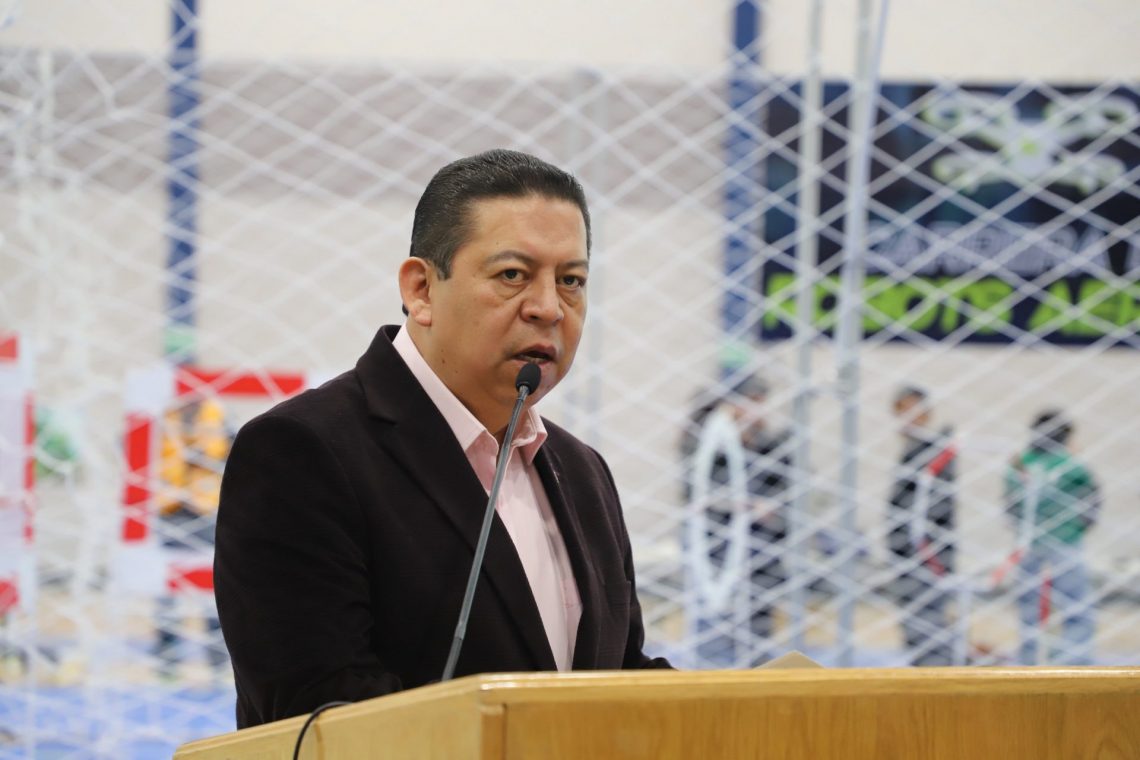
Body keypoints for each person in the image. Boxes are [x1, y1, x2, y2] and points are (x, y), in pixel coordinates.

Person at [214, 149, 670, 729]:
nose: (548, 308)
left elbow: (619, 676)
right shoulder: (300, 452)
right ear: (422, 289)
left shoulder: (581, 469)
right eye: (513, 275)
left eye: (571, 281)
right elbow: (321, 710)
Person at [679, 374, 791, 667]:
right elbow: (697, 493)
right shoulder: (705, 439)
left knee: (757, 618)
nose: (756, 410)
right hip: (715, 544)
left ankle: (755, 667)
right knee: (714, 618)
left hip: (759, 546)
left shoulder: (766, 442)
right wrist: (746, 505)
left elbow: (782, 488)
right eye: (751, 402)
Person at [1004, 409, 1100, 665]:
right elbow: (1092, 495)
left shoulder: (1021, 462)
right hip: (1065, 540)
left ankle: (1030, 660)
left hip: (1029, 543)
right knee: (1075, 605)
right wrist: (1082, 525)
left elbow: (1010, 503)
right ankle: (1074, 662)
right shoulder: (1069, 463)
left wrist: (1021, 529)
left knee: (1030, 608)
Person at [154, 396, 232, 680]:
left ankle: (217, 664)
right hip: (169, 511)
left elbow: (235, 451)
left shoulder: (220, 415)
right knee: (164, 592)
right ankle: (167, 664)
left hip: (206, 512)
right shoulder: (161, 415)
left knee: (215, 590)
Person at [885, 385, 957, 666]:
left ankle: (935, 677)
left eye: (914, 410)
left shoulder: (931, 452)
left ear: (927, 414)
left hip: (925, 554)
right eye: (902, 410)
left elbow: (936, 508)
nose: (908, 417)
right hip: (910, 554)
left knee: (927, 623)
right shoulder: (915, 450)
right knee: (916, 623)